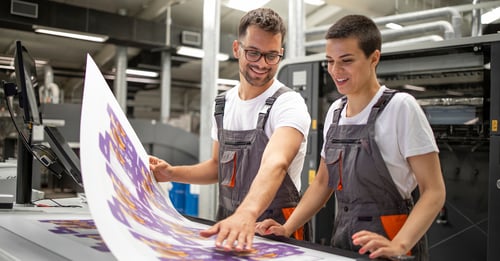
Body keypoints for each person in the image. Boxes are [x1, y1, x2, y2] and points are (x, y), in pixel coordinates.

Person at [255, 14, 446, 261]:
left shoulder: (401, 107)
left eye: (346, 61)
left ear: (374, 58)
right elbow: (323, 182)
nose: (336, 71)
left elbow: (434, 191)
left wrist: (399, 244)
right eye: (330, 61)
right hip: (343, 240)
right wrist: (287, 227)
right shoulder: (335, 111)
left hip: (389, 242)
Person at [149, 8, 311, 252]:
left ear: (281, 54)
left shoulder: (288, 103)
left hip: (276, 230)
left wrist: (246, 213)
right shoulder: (223, 105)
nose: (261, 63)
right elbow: (217, 166)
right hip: (230, 224)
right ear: (237, 49)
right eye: (253, 53)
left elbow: (275, 163)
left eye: (271, 56)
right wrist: (172, 173)